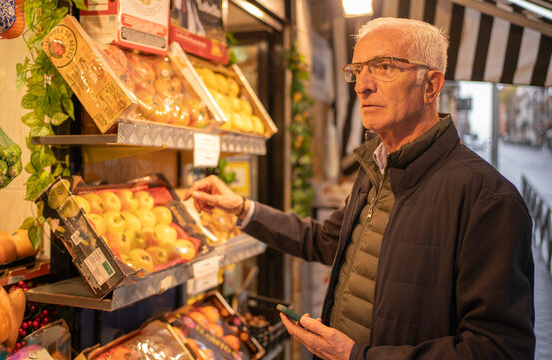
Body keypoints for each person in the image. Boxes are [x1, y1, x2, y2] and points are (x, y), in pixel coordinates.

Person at [185, 17, 535, 359]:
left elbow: (499, 348)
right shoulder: (375, 170)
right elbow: (324, 241)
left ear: (431, 85)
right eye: (357, 70)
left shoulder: (488, 199)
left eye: (384, 67)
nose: (361, 86)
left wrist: (357, 355)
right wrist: (243, 208)